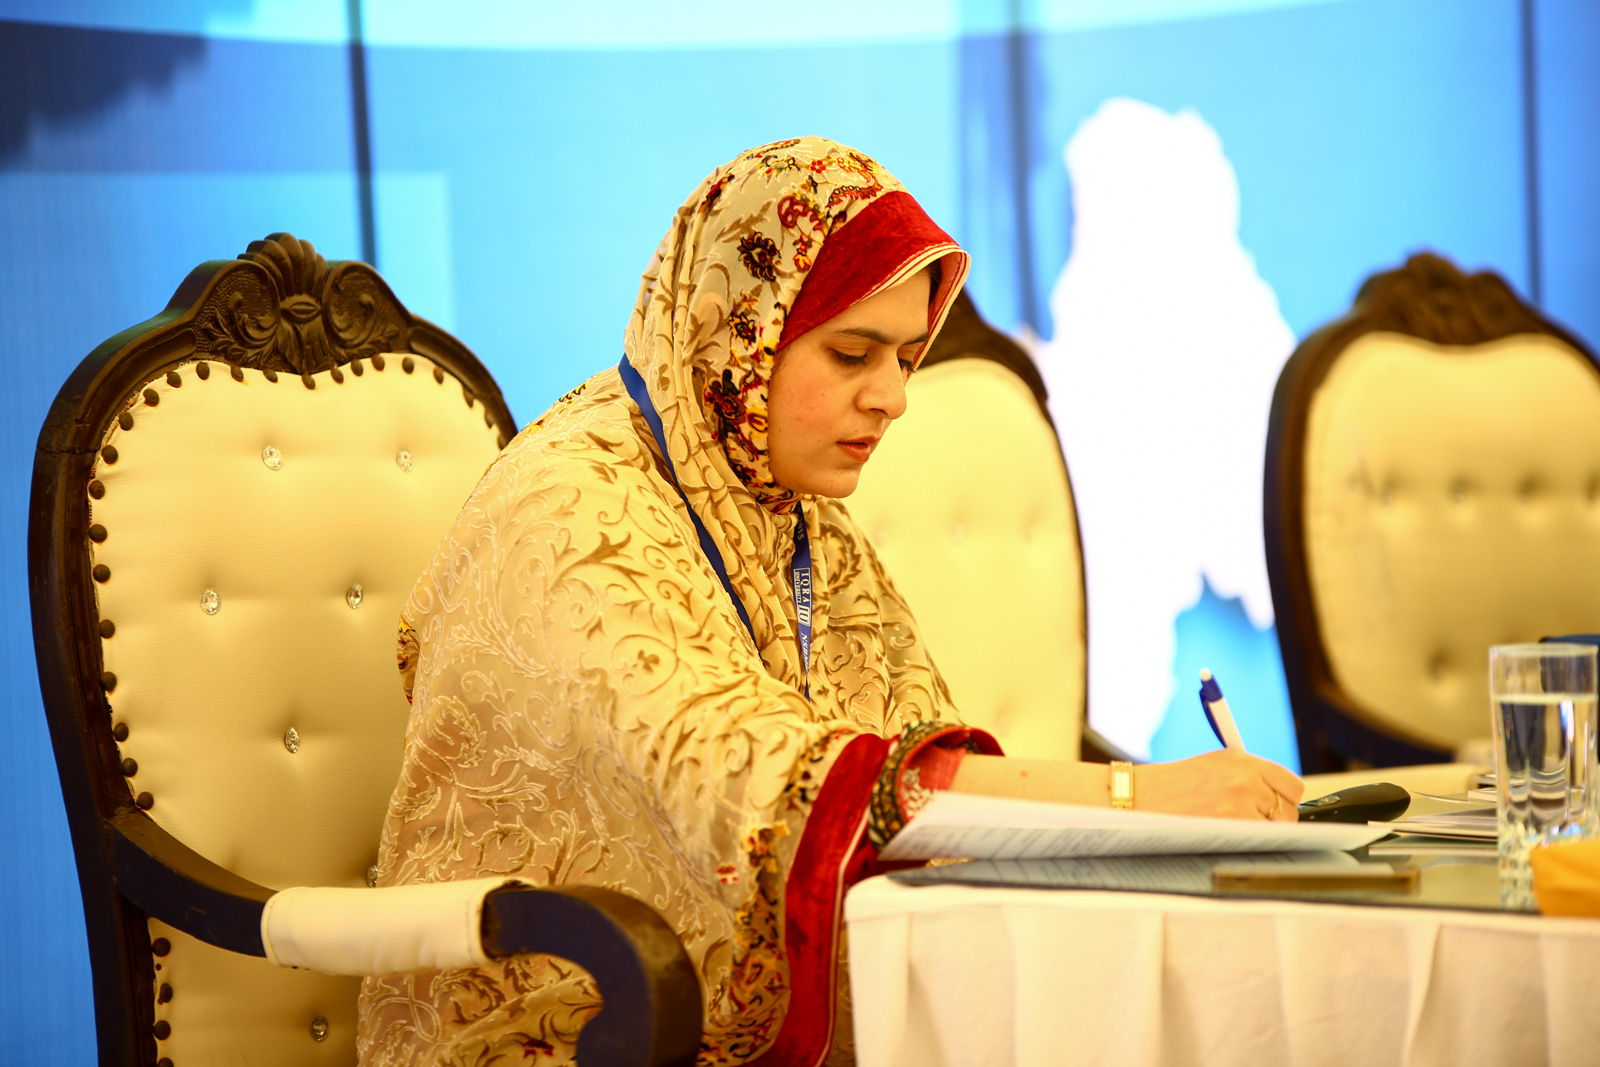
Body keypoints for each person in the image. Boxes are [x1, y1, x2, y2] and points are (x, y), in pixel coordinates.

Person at [357, 136, 1303, 1066]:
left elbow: (916, 764)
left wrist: (1140, 828)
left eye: (906, 357)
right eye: (854, 353)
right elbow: (758, 773)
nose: (893, 397)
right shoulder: (567, 504)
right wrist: (1138, 795)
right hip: (576, 1021)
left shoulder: (787, 502)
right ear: (737, 329)